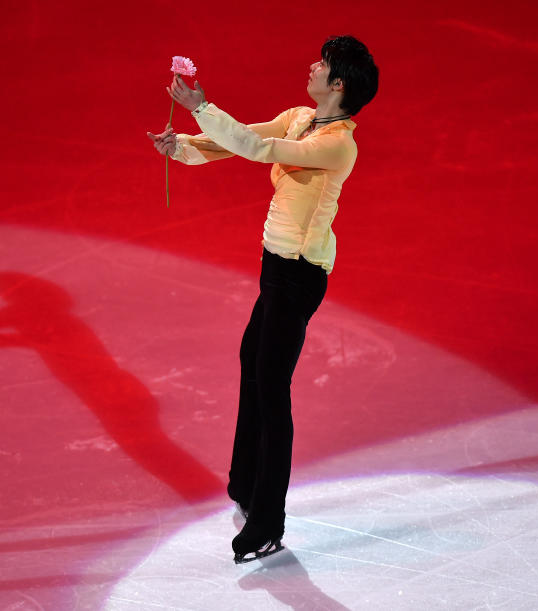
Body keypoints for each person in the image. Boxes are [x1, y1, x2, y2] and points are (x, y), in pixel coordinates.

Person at [147, 35, 378, 564]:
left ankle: (268, 522)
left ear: (338, 84)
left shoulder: (339, 143)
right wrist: (181, 144)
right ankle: (245, 483)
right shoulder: (301, 117)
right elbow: (242, 137)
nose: (310, 64)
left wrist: (200, 106)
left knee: (272, 387)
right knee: (253, 362)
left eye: (320, 63)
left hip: (299, 275)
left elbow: (259, 151)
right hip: (275, 268)